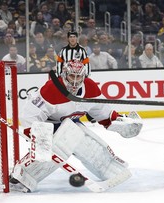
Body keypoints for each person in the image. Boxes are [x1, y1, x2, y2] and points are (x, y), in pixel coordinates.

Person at [9, 59, 142, 192]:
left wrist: (121, 123)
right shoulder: (51, 89)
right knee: (62, 143)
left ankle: (110, 169)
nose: (75, 81)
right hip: (48, 125)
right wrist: (37, 135)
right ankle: (22, 176)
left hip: (70, 124)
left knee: (84, 141)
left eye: (79, 76)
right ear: (64, 74)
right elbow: (30, 114)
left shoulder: (90, 88)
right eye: (72, 76)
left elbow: (102, 112)